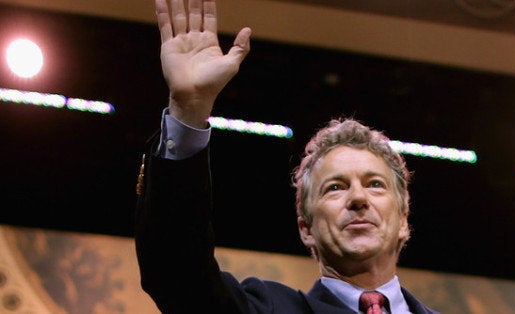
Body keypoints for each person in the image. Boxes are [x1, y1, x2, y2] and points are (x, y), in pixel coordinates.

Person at [134, 0, 439, 313]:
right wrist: (189, 109)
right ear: (306, 228)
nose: (358, 198)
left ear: (403, 220)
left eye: (375, 184)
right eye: (335, 187)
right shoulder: (268, 308)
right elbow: (179, 275)